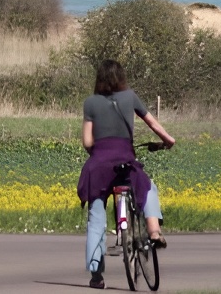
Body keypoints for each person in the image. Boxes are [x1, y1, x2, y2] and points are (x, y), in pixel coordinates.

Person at [77, 59, 175, 289]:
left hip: (99, 165)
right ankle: (153, 231)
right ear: (121, 77)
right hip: (124, 160)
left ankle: (96, 275)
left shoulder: (90, 103)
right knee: (146, 186)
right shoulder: (130, 97)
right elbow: (152, 123)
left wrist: (99, 150)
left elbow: (87, 141)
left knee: (96, 220)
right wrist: (168, 140)